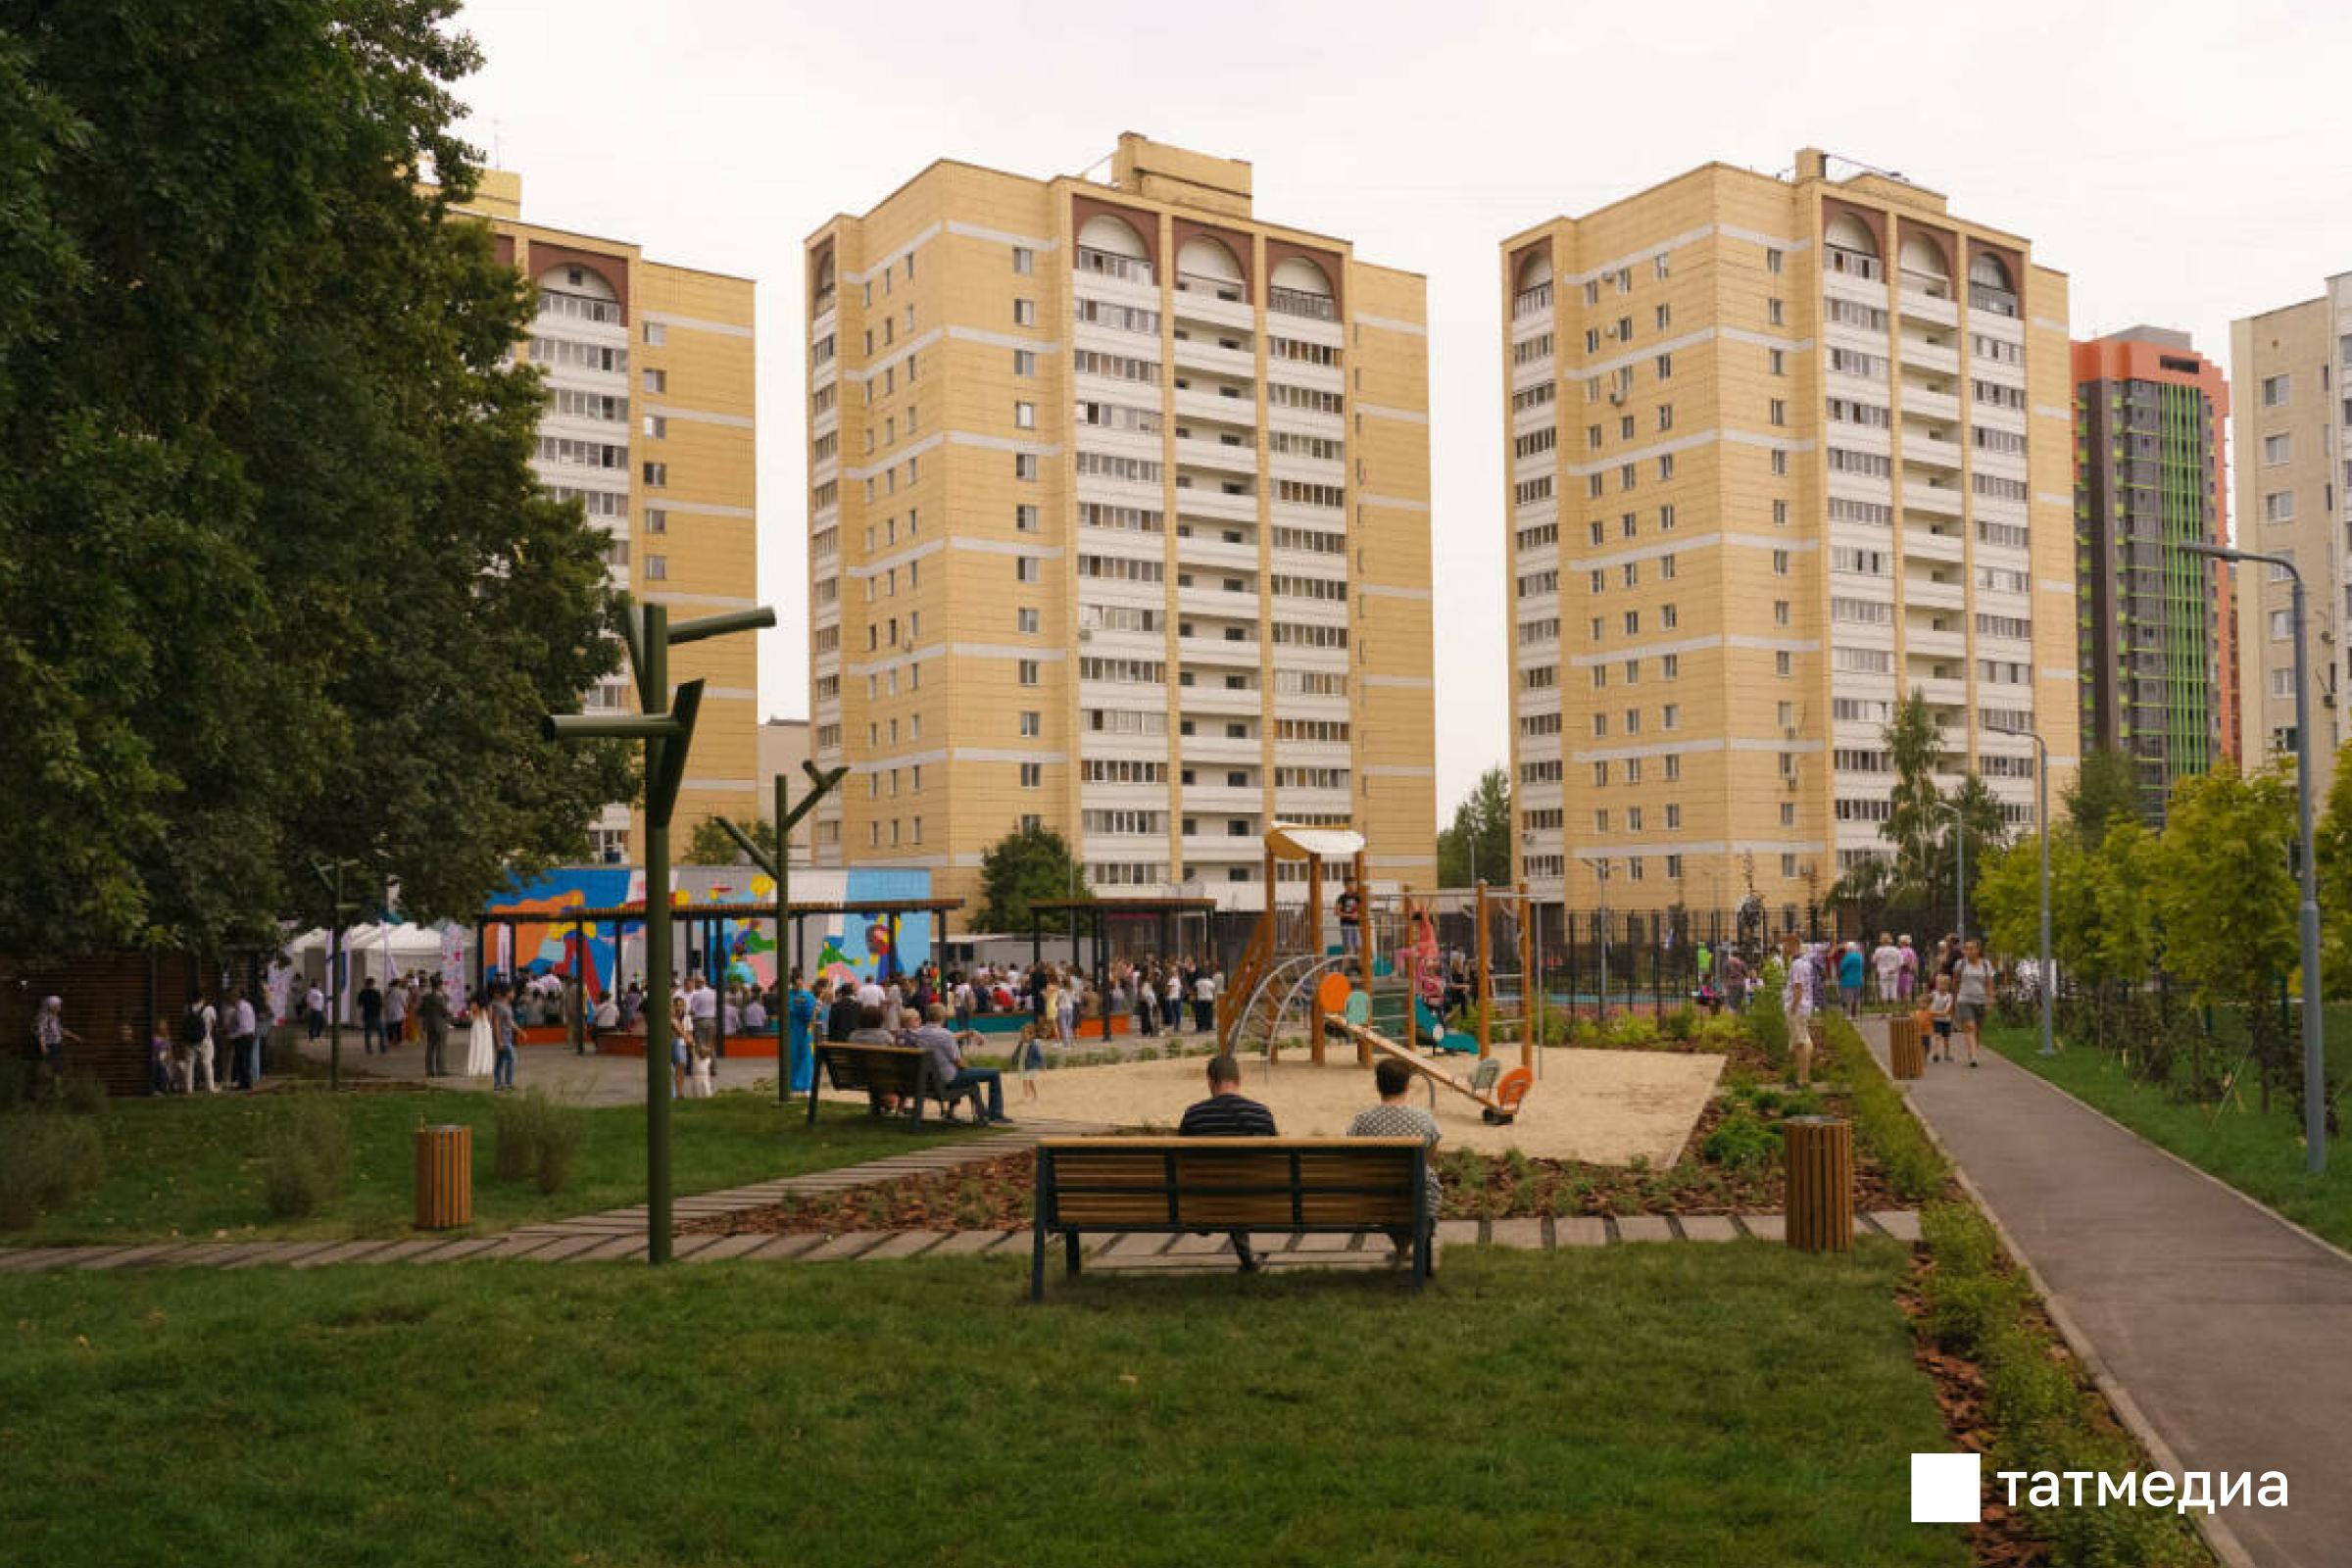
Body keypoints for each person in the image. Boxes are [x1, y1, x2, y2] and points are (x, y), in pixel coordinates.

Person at [1178, 1054, 1279, 1271]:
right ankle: (1247, 1260)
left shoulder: (1194, 1115)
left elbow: (1181, 1161)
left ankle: (1215, 1230)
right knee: (1240, 1183)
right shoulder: (1261, 1114)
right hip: (1255, 1202)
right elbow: (1275, 1161)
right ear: (1239, 1079)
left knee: (1222, 1184)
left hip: (1206, 1205)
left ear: (1210, 1081)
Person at [1347, 1055, 1444, 1265]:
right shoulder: (1424, 1119)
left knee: (1384, 1190)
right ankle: (1406, 1249)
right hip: (1416, 1193)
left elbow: (1353, 1156)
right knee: (1425, 1183)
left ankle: (1401, 1249)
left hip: (1377, 1195)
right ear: (1407, 1086)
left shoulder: (1363, 1120)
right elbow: (1430, 1156)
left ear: (1377, 1085)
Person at [910, 1004, 1008, 1124]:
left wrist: (969, 1033)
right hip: (947, 1080)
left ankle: (979, 1111)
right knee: (993, 1073)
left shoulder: (918, 1033)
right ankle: (996, 1114)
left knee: (968, 1078)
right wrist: (970, 1068)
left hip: (927, 1080)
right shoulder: (945, 1035)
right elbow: (959, 1062)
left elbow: (944, 1037)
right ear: (943, 1017)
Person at [1953, 939, 1995, 1068]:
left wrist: (1989, 1000)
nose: (1969, 951)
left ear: (1978, 950)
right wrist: (1955, 999)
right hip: (1964, 999)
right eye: (1966, 949)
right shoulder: (1960, 964)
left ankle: (1973, 1050)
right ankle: (1973, 1056)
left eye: (1971, 948)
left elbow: (1989, 984)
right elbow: (1956, 982)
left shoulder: (1986, 964)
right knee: (1970, 1026)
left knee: (1977, 1029)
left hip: (1980, 1000)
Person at [786, 971, 818, 1097]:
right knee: (793, 1056)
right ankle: (793, 1085)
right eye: (795, 981)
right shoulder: (788, 995)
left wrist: (811, 1017)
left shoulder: (808, 995)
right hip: (792, 1029)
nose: (798, 984)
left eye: (799, 981)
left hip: (804, 1030)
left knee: (806, 1057)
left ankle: (806, 1085)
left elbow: (813, 1014)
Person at [183, 992, 219, 1094]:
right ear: (203, 998)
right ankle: (210, 1087)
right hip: (205, 1039)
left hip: (190, 1040)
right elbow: (214, 1023)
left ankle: (188, 1088)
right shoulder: (209, 1009)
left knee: (189, 1064)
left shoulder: (187, 1008)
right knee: (207, 1063)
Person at [417, 976, 452, 1078]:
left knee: (430, 1048)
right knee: (441, 1048)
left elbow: (420, 1012)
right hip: (440, 1026)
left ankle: (429, 1070)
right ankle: (441, 1070)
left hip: (429, 1025)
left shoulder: (426, 998)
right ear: (440, 985)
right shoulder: (441, 998)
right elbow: (446, 1012)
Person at [224, 987, 258, 1091]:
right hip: (249, 1035)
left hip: (244, 1037)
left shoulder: (241, 1008)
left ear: (236, 997)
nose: (230, 1000)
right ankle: (244, 1083)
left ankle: (245, 1083)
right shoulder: (246, 1005)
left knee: (242, 1061)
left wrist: (231, 1036)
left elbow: (242, 1027)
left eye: (231, 998)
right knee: (244, 1060)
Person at [489, 982, 517, 1092]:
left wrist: (519, 1031)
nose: (514, 994)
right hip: (502, 1038)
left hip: (507, 1037)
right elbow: (496, 1024)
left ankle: (498, 1084)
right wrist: (499, 1040)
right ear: (507, 993)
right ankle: (508, 1083)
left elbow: (509, 1022)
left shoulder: (508, 1006)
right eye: (513, 992)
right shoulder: (499, 1006)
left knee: (500, 1060)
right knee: (512, 1058)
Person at [1928, 973, 1957, 1064]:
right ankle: (1936, 1053)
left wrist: (1934, 1012)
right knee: (1937, 1036)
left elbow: (1947, 1010)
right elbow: (1926, 1001)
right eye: (1938, 984)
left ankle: (1947, 1054)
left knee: (1946, 1038)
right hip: (1936, 1020)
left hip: (1946, 1020)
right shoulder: (1934, 994)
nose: (1940, 986)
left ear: (1947, 986)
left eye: (1942, 984)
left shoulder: (1949, 996)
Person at [1014, 1021, 1046, 1102]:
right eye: (1022, 1034)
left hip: (1030, 1066)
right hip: (1022, 1066)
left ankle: (1027, 1096)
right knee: (1028, 1081)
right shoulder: (1021, 1044)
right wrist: (1014, 1059)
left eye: (1025, 1034)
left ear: (1031, 1035)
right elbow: (1016, 1052)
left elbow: (1039, 1056)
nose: (1023, 1036)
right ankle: (1033, 1095)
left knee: (1026, 1080)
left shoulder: (1033, 1046)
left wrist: (1042, 1065)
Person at [826, 977, 863, 1044]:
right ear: (853, 992)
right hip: (855, 1040)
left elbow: (831, 1025)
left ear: (842, 993)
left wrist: (830, 1040)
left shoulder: (835, 1005)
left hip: (838, 1040)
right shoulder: (858, 1006)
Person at [1836, 942, 1865, 1019]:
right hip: (1858, 980)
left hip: (1847, 980)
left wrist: (1838, 975)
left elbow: (1842, 968)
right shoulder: (1859, 957)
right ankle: (1855, 1015)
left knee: (1848, 998)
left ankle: (1848, 1015)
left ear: (1848, 949)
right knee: (1856, 998)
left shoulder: (1847, 957)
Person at [357, 977, 384, 1055]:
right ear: (373, 984)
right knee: (381, 1032)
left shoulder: (362, 993)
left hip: (367, 1014)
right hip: (376, 1014)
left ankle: (369, 1049)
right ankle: (382, 1048)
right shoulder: (376, 992)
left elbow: (359, 1004)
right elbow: (381, 1004)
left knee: (368, 1033)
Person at [382, 975, 408, 1055]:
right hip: (398, 1011)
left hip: (389, 1010)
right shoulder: (399, 991)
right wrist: (406, 1008)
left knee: (390, 1026)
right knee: (398, 1026)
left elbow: (384, 1000)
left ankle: (389, 1040)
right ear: (397, 984)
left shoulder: (387, 991)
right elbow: (403, 1001)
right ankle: (398, 1041)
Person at [1192, 966, 1217, 1035]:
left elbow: (1195, 990)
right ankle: (1209, 1026)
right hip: (1209, 999)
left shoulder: (1198, 982)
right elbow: (1214, 991)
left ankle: (1200, 1027)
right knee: (1209, 1013)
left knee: (1200, 1014)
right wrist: (1214, 999)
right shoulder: (1210, 982)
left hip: (1200, 999)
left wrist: (1195, 997)